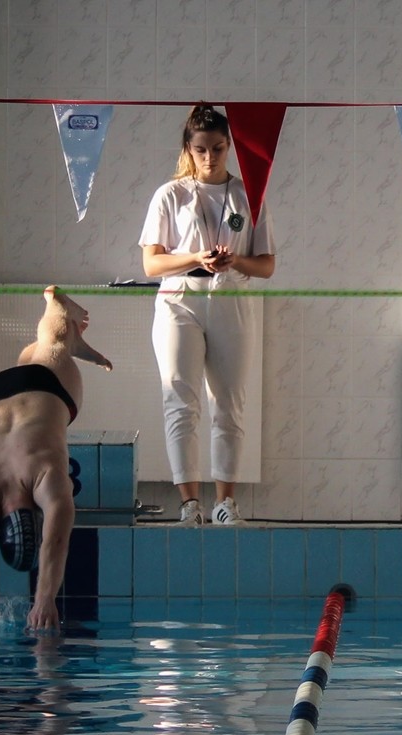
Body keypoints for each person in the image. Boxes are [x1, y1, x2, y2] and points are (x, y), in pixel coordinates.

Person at [139, 102, 276, 525]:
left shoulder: (248, 195)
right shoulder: (171, 194)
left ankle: (224, 503)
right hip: (179, 300)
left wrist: (234, 261)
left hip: (230, 298)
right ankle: (189, 503)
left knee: (229, 402)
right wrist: (195, 257)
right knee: (180, 401)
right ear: (188, 148)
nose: (209, 158)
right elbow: (151, 264)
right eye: (200, 149)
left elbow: (266, 265)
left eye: (217, 148)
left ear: (229, 146)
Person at [0, 286, 112, 631]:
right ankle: (69, 341)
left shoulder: (47, 478)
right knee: (41, 356)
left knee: (53, 346)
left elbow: (56, 542)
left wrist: (45, 601)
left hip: (42, 389)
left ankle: (60, 318)